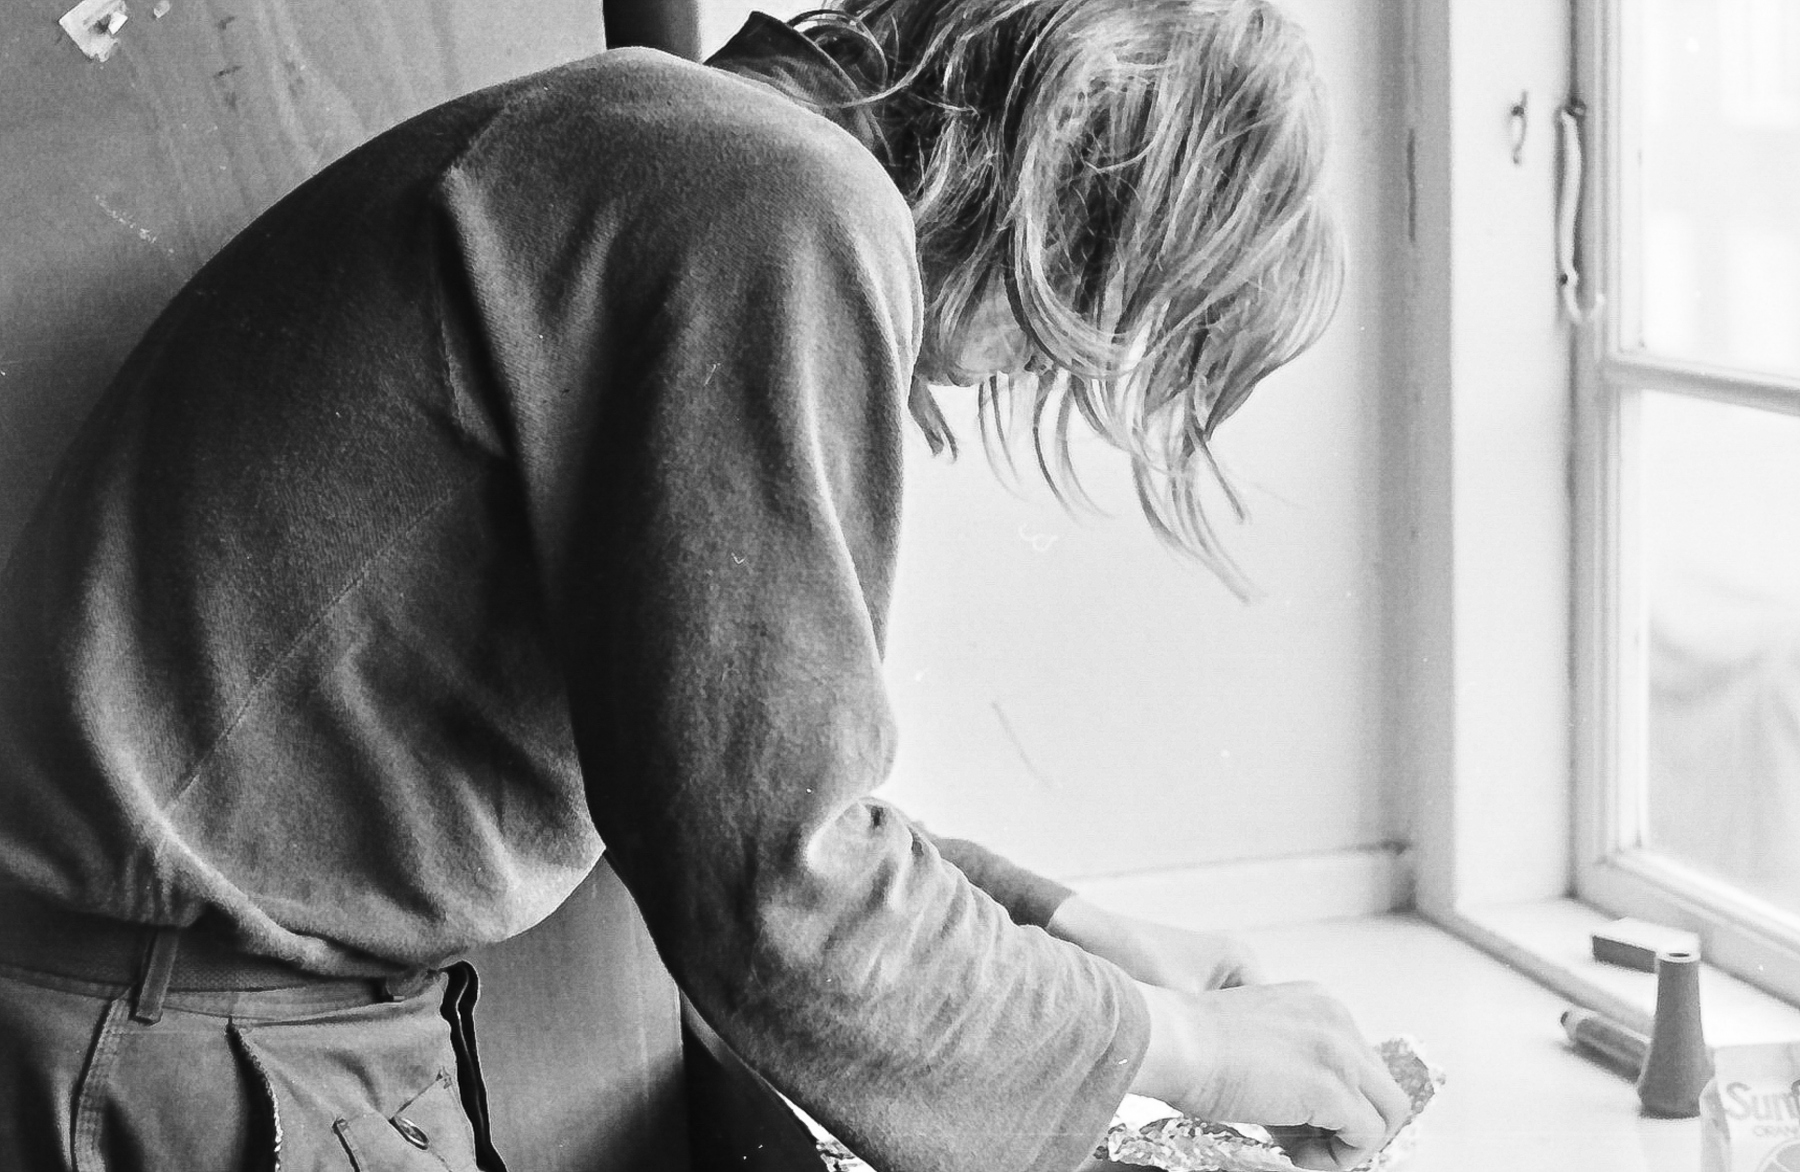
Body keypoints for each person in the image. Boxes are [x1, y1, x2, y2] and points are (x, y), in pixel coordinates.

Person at [0, 1, 1410, 1170]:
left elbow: (720, 784)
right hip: (187, 1057)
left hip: (185, 1029)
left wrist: (1082, 939)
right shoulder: (773, 202)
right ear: (1077, 157)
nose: (1071, 360)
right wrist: (1189, 1050)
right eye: (1120, 301)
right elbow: (780, 893)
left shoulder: (678, 142)